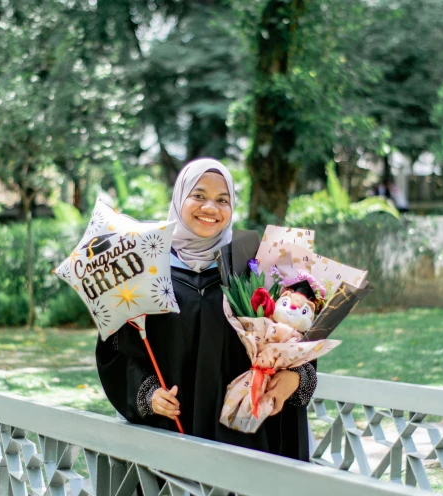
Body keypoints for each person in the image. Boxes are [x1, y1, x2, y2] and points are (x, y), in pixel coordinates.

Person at [95, 158, 316, 462]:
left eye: (222, 200)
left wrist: (295, 376)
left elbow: (297, 335)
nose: (210, 208)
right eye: (198, 196)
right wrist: (147, 395)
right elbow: (117, 349)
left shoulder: (254, 267)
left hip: (248, 437)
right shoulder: (144, 270)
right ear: (179, 198)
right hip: (173, 434)